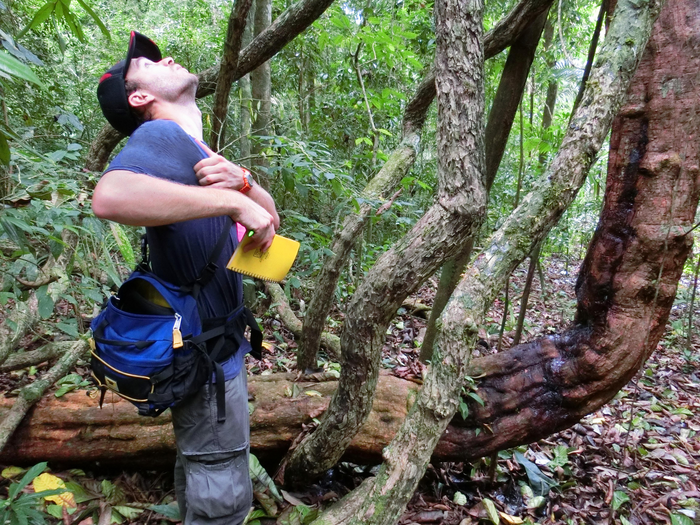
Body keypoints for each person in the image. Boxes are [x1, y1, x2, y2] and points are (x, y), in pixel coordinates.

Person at [93, 31, 279, 524]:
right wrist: (233, 200)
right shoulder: (159, 136)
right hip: (206, 356)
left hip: (215, 347)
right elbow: (108, 198)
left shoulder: (192, 148)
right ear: (140, 98)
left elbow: (270, 222)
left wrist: (245, 184)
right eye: (149, 63)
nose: (167, 58)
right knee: (221, 493)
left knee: (203, 467)